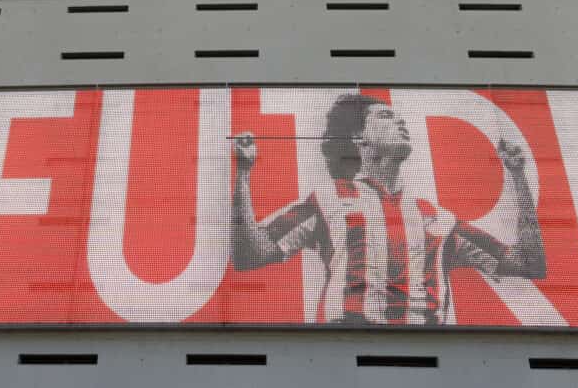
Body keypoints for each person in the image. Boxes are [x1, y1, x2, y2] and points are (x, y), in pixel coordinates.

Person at [229, 93, 545, 325]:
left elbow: (528, 264)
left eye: (398, 117)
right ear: (359, 139)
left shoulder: (437, 218)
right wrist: (243, 172)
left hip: (428, 361)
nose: (401, 121)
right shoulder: (328, 201)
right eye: (385, 116)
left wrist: (518, 175)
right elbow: (250, 254)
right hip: (343, 352)